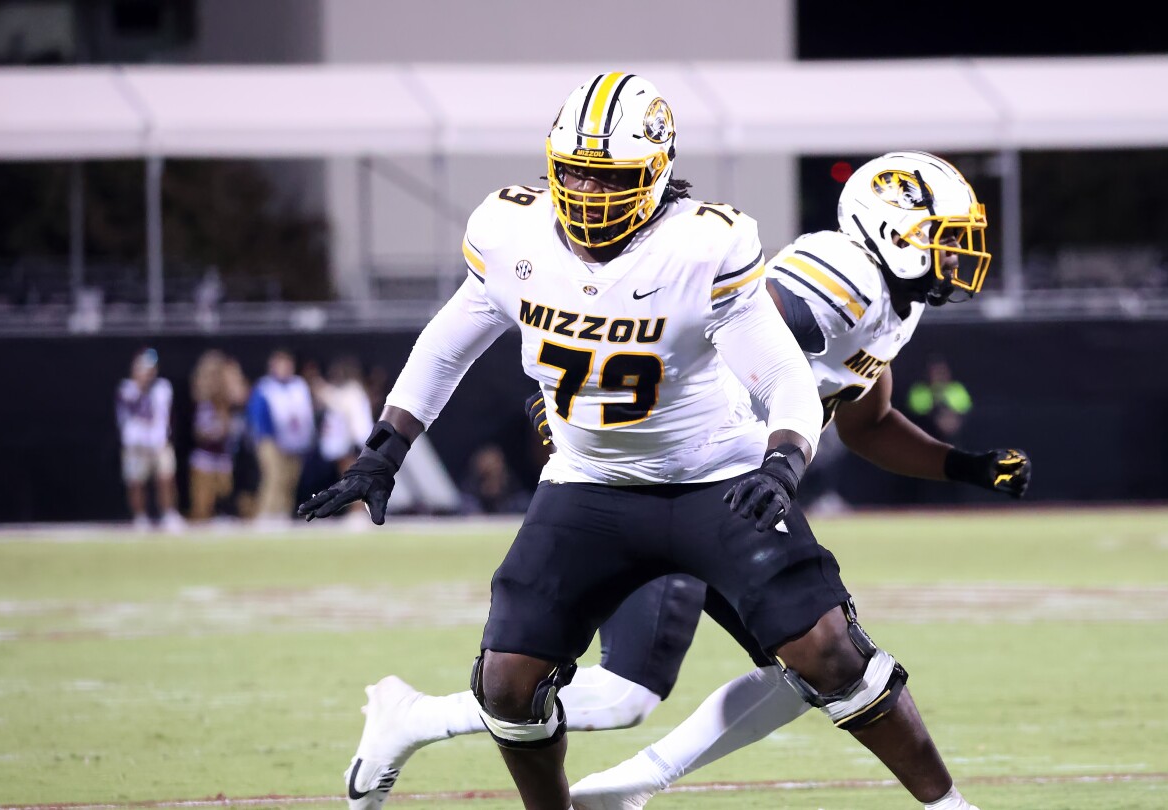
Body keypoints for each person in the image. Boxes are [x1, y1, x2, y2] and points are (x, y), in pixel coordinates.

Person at [300, 74, 981, 810]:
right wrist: (385, 448)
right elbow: (447, 343)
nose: (588, 192)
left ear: (656, 173)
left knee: (828, 653)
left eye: (611, 177)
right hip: (589, 484)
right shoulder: (511, 230)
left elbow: (782, 368)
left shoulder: (703, 245)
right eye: (575, 173)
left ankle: (948, 807)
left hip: (714, 480)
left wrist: (784, 460)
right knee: (509, 684)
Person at [564, 152, 1031, 808]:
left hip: (734, 488)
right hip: (685, 475)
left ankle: (624, 787)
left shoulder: (895, 304)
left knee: (816, 664)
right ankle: (434, 719)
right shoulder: (844, 270)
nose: (956, 255)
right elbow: (732, 326)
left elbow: (869, 422)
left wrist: (964, 465)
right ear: (891, 233)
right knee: (634, 690)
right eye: (942, 238)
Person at [115, 347, 183, 531]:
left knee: (166, 479)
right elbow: (128, 418)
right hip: (135, 446)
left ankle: (168, 514)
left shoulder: (162, 388)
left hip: (158, 443)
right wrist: (140, 387)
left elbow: (162, 416)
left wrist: (160, 439)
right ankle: (140, 517)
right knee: (136, 482)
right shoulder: (126, 389)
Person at [246, 349, 315, 521]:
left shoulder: (299, 385)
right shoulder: (265, 387)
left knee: (290, 479)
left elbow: (307, 414)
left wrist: (307, 436)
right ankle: (267, 513)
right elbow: (257, 415)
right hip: (270, 439)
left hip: (295, 441)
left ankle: (282, 512)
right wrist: (266, 436)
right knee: (274, 476)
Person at [189, 349, 248, 522]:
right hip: (205, 454)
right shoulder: (202, 396)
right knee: (202, 503)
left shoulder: (228, 394)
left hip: (224, 454)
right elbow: (199, 432)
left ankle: (222, 515)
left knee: (225, 492)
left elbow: (241, 395)